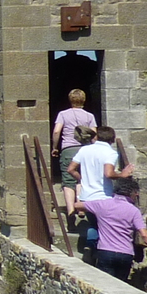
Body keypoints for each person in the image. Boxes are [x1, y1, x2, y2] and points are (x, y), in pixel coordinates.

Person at [83, 176, 147, 284]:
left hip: (105, 251)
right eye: (136, 192)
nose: (137, 195)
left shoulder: (102, 204)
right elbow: (144, 235)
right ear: (131, 193)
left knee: (105, 285)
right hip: (125, 254)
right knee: (121, 285)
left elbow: (78, 205)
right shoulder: (134, 211)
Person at [52, 89, 96, 219]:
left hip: (68, 149)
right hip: (85, 149)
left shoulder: (63, 114)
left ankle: (71, 210)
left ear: (70, 99)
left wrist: (55, 147)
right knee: (82, 178)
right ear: (84, 100)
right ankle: (81, 207)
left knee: (68, 180)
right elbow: (94, 136)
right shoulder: (89, 116)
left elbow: (56, 131)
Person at [70, 125, 132, 207]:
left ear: (97, 137)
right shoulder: (110, 153)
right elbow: (108, 174)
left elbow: (71, 169)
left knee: (92, 220)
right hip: (103, 197)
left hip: (86, 196)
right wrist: (122, 174)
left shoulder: (84, 149)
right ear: (113, 139)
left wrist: (82, 179)